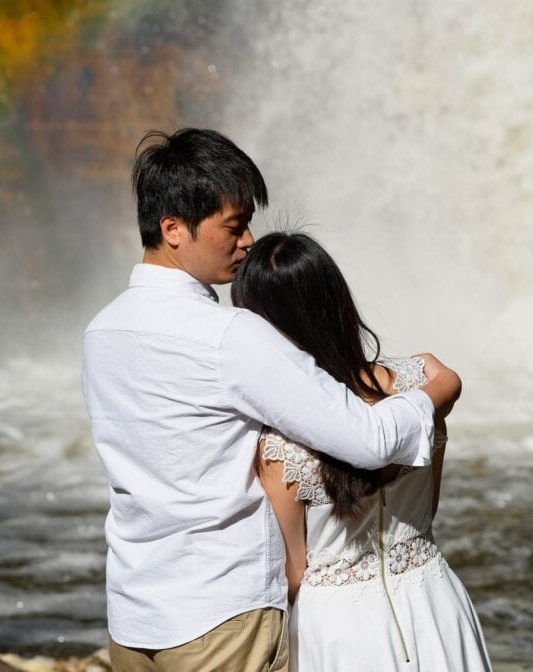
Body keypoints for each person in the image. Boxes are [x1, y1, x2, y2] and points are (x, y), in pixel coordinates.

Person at [81, 128, 462, 672]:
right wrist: (438, 390)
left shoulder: (101, 332)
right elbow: (369, 439)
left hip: (135, 617)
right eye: (233, 227)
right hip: (222, 620)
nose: (247, 241)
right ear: (173, 229)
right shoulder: (227, 335)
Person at [233, 231, 491, 671]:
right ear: (336, 300)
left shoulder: (278, 444)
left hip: (337, 632)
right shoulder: (419, 386)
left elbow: (294, 573)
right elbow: (430, 504)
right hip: (435, 607)